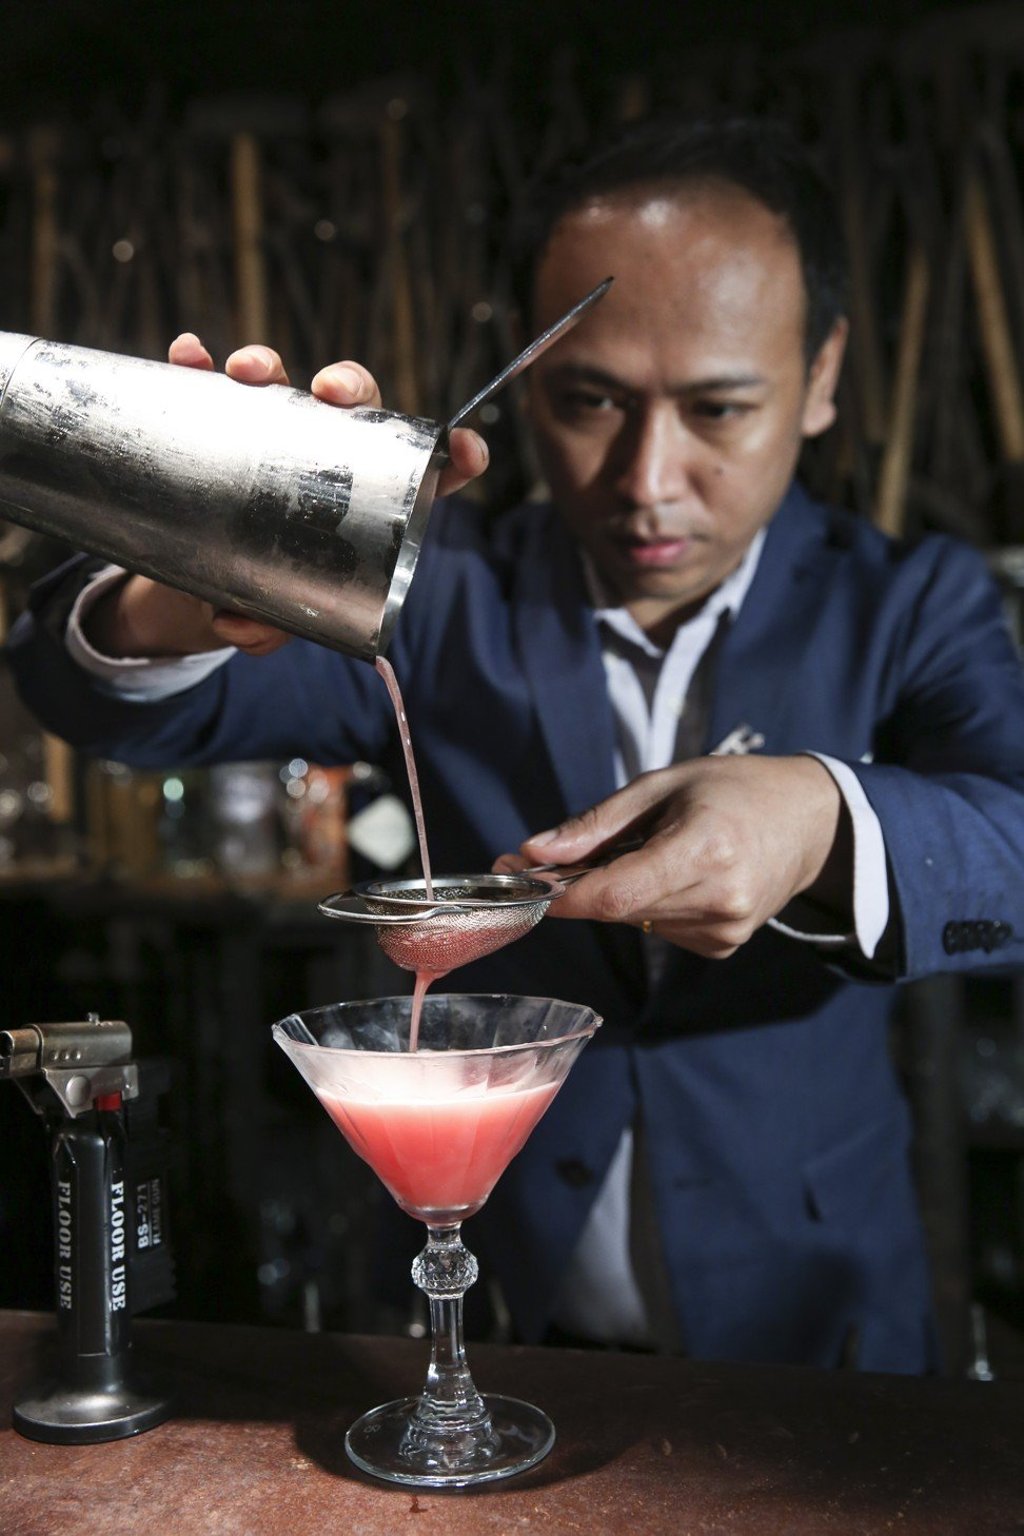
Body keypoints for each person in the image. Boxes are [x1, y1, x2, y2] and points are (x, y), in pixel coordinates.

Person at [9, 118, 1024, 1373]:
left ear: (820, 377)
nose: (648, 479)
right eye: (590, 401)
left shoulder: (908, 602)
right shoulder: (441, 595)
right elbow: (100, 697)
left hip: (820, 1342)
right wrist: (194, 573)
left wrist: (822, 818)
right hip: (497, 1323)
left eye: (718, 408)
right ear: (528, 381)